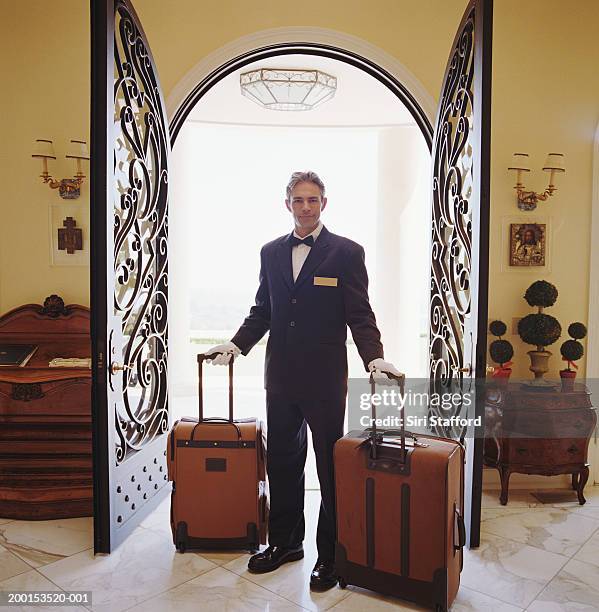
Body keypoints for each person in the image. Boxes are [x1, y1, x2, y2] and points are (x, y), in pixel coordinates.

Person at [206, 171, 400, 591]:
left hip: (326, 379)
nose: (306, 207)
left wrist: (375, 357)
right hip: (280, 377)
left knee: (330, 466)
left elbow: (359, 314)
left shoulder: (347, 252)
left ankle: (329, 556)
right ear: (287, 204)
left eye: (313, 200)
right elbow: (263, 310)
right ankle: (285, 543)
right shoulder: (271, 252)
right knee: (282, 461)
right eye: (299, 200)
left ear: (324, 203)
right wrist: (236, 345)